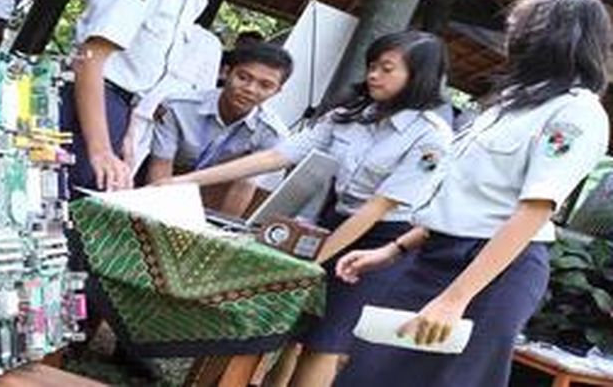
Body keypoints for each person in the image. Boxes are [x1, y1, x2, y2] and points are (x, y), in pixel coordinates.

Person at [334, 0, 611, 387]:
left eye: (523, 23)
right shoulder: (507, 105)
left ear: (557, 35)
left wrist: (456, 298)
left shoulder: (576, 112)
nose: (512, 31)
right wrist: (394, 249)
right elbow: (464, 197)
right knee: (367, 373)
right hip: (434, 255)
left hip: (494, 272)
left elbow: (532, 213)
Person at [166, 31, 453, 386]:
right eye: (372, 66)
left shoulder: (430, 137)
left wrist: (313, 264)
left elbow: (378, 207)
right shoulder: (350, 115)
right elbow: (276, 156)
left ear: (418, 77)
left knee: (324, 342)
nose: (373, 75)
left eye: (386, 68)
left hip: (380, 242)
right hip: (333, 222)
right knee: (288, 330)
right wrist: (186, 181)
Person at [63, 0, 260, 195]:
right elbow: (89, 58)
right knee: (68, 192)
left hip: (126, 107)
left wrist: (129, 132)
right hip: (92, 99)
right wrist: (100, 149)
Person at [148, 42, 292, 215]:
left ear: (277, 91)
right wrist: (159, 215)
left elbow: (244, 186)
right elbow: (160, 165)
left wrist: (222, 227)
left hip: (215, 194)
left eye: (265, 85)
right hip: (166, 182)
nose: (250, 89)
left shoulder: (273, 133)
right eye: (243, 78)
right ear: (225, 72)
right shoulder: (177, 107)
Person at [125, 24, 223, 179]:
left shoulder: (209, 43)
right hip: (137, 106)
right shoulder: (157, 23)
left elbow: (204, 91)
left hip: (167, 115)